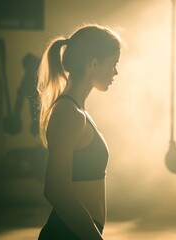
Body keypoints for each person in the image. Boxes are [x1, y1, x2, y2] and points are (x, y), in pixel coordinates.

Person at [37, 24, 121, 240]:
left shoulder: (77, 110)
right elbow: (55, 189)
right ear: (94, 63)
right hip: (68, 234)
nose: (116, 72)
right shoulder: (69, 113)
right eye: (113, 64)